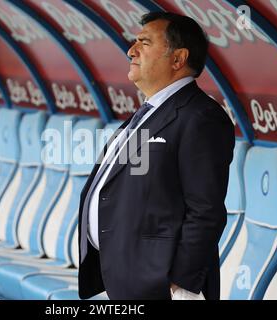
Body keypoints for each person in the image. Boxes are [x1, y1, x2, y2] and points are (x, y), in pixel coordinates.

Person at [78, 12, 235, 300]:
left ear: (178, 59)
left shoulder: (200, 117)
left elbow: (206, 210)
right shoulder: (149, 112)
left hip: (162, 285)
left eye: (144, 42)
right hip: (126, 277)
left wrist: (181, 283)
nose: (131, 50)